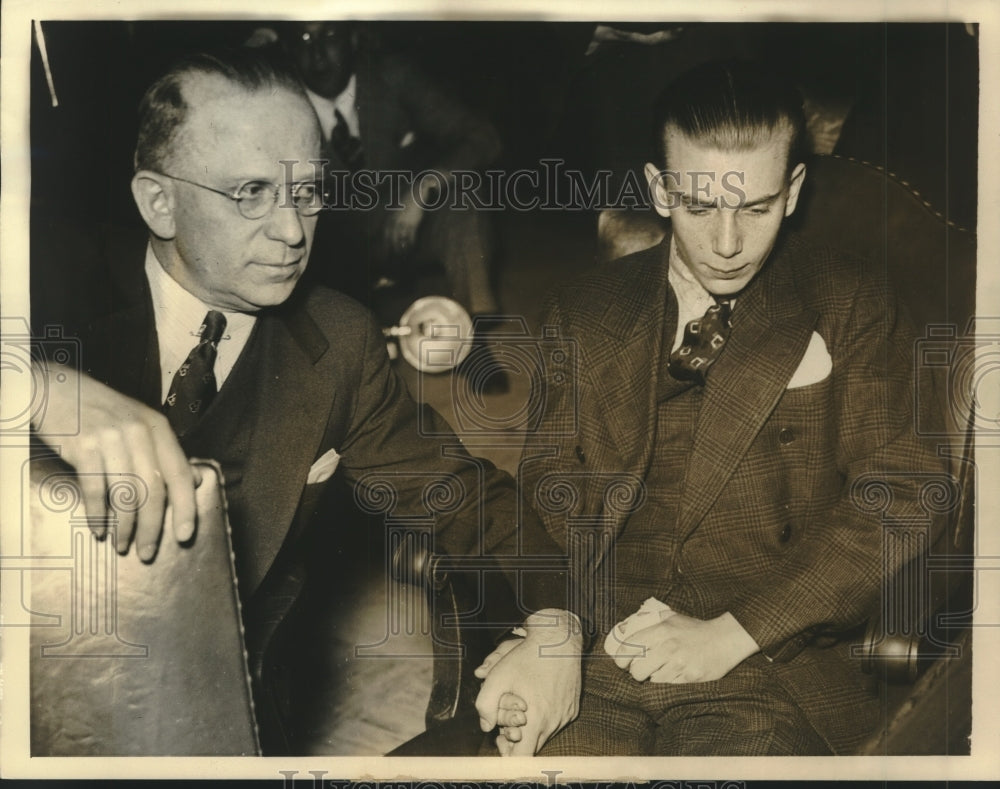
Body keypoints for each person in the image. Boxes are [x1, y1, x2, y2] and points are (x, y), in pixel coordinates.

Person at [29, 47, 578, 753]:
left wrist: (560, 625)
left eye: (308, 192)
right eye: (251, 192)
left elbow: (470, 501)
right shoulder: (49, 272)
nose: (292, 233)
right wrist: (38, 386)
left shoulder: (338, 339)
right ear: (157, 200)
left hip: (231, 716)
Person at [474, 59, 948, 755]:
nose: (728, 245)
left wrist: (732, 634)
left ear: (792, 191)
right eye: (699, 206)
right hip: (602, 647)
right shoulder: (581, 308)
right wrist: (554, 633)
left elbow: (902, 495)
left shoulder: (849, 303)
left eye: (755, 207)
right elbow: (550, 490)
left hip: (767, 659)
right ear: (659, 189)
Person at [274, 21, 502, 323]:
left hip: (404, 226)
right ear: (288, 49)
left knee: (463, 194)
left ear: (353, 39)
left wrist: (425, 186)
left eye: (329, 35)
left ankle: (474, 328)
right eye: (303, 39)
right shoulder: (277, 100)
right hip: (330, 246)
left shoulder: (392, 76)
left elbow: (481, 137)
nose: (317, 55)